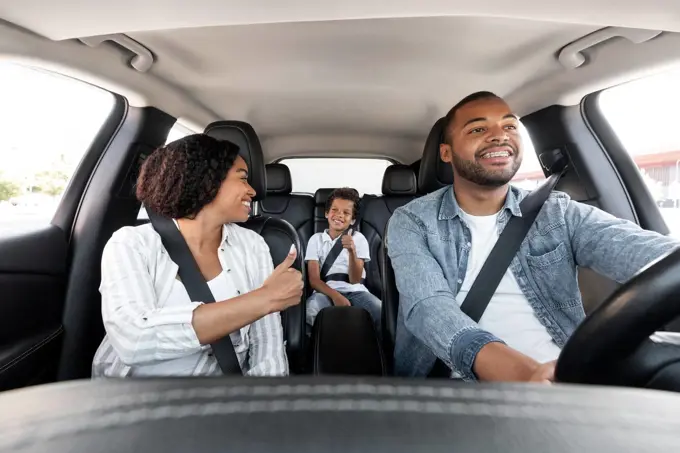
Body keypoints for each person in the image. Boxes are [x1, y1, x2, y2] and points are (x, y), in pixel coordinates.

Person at [387, 91, 679, 383]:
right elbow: (428, 308)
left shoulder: (558, 212)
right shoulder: (412, 220)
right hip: (457, 384)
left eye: (510, 126)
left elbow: (640, 249)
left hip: (568, 374)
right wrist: (526, 375)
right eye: (478, 129)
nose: (499, 136)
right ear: (446, 153)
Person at [92, 134, 302, 378]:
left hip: (217, 399)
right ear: (207, 180)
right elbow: (134, 339)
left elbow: (267, 347)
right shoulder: (131, 243)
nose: (252, 190)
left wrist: (264, 405)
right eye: (243, 178)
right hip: (135, 399)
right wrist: (265, 299)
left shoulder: (252, 245)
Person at [305, 187, 382, 332]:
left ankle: (384, 352)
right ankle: (307, 353)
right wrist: (336, 296)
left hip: (355, 290)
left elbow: (355, 279)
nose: (339, 215)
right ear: (326, 213)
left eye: (346, 213)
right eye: (334, 210)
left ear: (353, 219)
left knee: (380, 311)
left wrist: (352, 251)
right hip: (325, 291)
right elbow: (314, 280)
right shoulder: (316, 240)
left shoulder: (359, 239)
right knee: (310, 311)